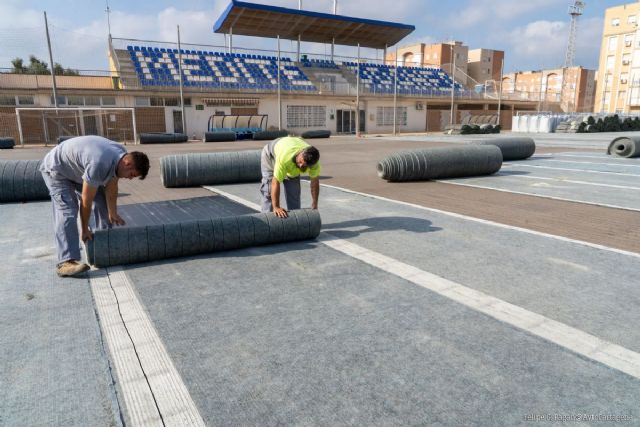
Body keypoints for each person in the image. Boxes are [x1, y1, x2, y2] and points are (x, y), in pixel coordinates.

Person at [40, 135, 150, 277]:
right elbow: (86, 201)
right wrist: (85, 229)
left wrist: (112, 213)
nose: (129, 178)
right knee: (68, 210)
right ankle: (65, 262)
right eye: (132, 174)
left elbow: (112, 187)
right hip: (57, 170)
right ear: (127, 163)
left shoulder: (120, 154)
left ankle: (104, 246)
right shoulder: (99, 162)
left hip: (77, 170)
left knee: (102, 200)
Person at [260, 136, 320, 218]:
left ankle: (294, 221)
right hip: (270, 155)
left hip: (290, 156)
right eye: (300, 162)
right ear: (300, 152)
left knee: (294, 193)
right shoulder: (285, 157)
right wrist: (276, 207)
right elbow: (275, 181)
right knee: (269, 190)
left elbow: (314, 183)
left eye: (304, 165)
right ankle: (266, 221)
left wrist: (315, 203)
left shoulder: (314, 163)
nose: (301, 165)